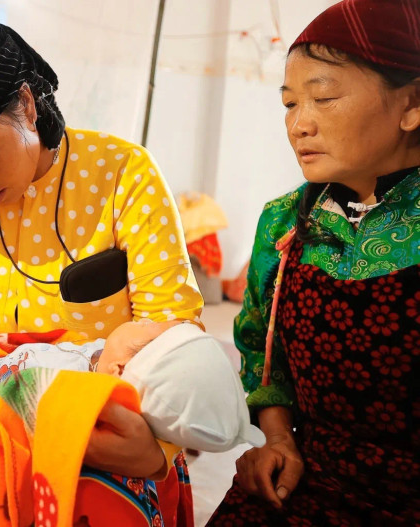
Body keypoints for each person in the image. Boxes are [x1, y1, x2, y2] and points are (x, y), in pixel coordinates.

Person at [0, 13, 220, 525]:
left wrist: (158, 450)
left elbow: (174, 329)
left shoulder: (121, 175)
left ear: (25, 104)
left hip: (92, 407)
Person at [208, 1, 420, 525]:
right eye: (288, 103)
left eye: (323, 97)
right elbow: (262, 350)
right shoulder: (285, 223)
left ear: (412, 104)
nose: (299, 125)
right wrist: (278, 440)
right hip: (308, 476)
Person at [0, 319, 181, 431]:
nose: (144, 319)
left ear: (119, 369)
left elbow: (17, 411)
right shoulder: (102, 351)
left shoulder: (74, 384)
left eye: (145, 326)